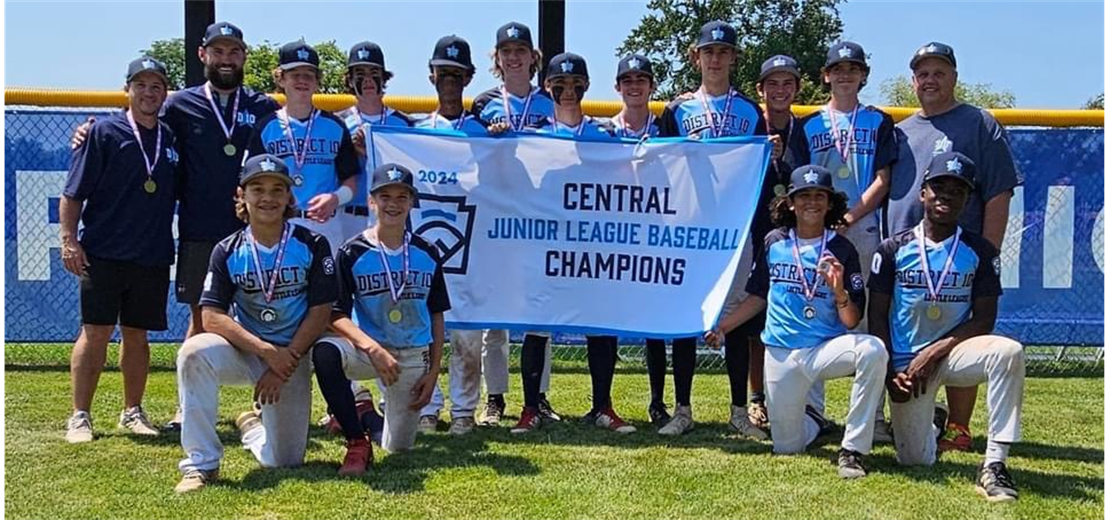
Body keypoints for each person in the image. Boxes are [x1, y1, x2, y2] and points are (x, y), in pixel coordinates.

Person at [71, 22, 281, 431]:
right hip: (201, 231)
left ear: (243, 58)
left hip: (258, 231)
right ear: (203, 55)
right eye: (218, 51)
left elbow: (299, 122)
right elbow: (137, 120)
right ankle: (189, 407)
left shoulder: (262, 105)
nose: (226, 59)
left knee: (268, 312)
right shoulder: (178, 104)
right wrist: (89, 129)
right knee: (201, 320)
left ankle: (269, 406)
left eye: (234, 52)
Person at [707, 165, 887, 479]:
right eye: (804, 196)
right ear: (790, 202)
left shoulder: (842, 248)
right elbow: (758, 295)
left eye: (820, 196)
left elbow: (851, 319)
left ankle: (853, 450)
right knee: (787, 447)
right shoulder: (774, 241)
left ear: (830, 203)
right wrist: (723, 327)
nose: (812, 202)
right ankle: (816, 420)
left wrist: (839, 290)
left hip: (823, 349)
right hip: (781, 353)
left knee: (872, 350)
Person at [885, 42, 1022, 452]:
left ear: (954, 78)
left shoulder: (978, 122)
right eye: (923, 73)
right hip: (908, 254)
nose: (930, 80)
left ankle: (959, 427)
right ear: (913, 82)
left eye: (939, 72)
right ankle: (920, 418)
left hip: (959, 252)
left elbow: (998, 191)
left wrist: (988, 252)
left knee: (959, 332)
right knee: (909, 339)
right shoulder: (902, 130)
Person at [173, 154, 337, 493]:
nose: (268, 198)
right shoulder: (227, 249)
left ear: (290, 198)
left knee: (284, 461)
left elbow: (321, 311)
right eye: (258, 189)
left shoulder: (312, 243)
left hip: (292, 358)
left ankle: (251, 428)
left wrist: (283, 361)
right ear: (241, 196)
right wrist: (264, 350)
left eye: (278, 190)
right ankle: (201, 464)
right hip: (246, 350)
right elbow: (211, 316)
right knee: (193, 352)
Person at [869, 151, 1025, 502]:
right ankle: (936, 421)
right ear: (923, 192)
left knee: (1008, 352)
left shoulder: (980, 251)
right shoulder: (893, 248)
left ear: (967, 199)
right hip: (907, 364)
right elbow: (877, 315)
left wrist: (937, 350)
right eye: (939, 188)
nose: (946, 196)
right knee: (914, 461)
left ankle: (995, 465)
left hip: (953, 354)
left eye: (957, 190)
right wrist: (890, 371)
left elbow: (984, 318)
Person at [652, 20, 768, 436]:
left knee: (734, 318)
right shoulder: (677, 109)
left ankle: (739, 411)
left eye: (723, 52)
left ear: (734, 58)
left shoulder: (749, 111)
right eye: (708, 52)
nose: (715, 59)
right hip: (690, 230)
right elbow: (663, 171)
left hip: (735, 234)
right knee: (688, 316)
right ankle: (683, 409)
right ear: (695, 57)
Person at [62, 56, 179, 443]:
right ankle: (80, 415)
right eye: (141, 85)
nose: (149, 92)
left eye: (157, 86)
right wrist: (69, 240)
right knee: (95, 332)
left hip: (151, 253)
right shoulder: (102, 132)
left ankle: (132, 410)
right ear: (127, 89)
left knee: (137, 336)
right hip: (104, 250)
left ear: (166, 92)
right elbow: (73, 193)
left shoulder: (171, 136)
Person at [789, 41, 897, 442]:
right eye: (838, 68)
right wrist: (826, 219)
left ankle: (871, 417)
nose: (845, 75)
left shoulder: (880, 121)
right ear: (826, 75)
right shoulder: (810, 123)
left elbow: (884, 179)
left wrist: (850, 216)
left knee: (868, 321)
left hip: (863, 228)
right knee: (812, 310)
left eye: (853, 69)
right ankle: (812, 412)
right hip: (818, 228)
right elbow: (802, 180)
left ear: (863, 75)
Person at [312, 163, 450, 475]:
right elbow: (335, 314)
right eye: (384, 196)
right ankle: (355, 436)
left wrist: (433, 371)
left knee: (398, 447)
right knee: (325, 352)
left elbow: (437, 314)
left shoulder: (426, 250)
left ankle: (364, 414)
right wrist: (372, 348)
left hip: (411, 355)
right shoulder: (352, 251)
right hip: (369, 351)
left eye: (402, 197)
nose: (393, 204)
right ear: (372, 201)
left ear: (412, 202)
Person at [529, 52, 636, 434]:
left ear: (587, 86)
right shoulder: (536, 136)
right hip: (550, 244)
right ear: (547, 87)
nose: (568, 91)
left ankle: (602, 406)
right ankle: (530, 407)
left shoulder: (604, 135)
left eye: (576, 85)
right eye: (560, 85)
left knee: (600, 323)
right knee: (537, 324)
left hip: (594, 245)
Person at [467, 23, 557, 428]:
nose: (514, 57)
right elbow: (466, 156)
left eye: (521, 50)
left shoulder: (552, 101)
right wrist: (490, 139)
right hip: (496, 221)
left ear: (533, 57)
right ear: (497, 59)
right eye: (506, 51)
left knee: (541, 312)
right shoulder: (483, 104)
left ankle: (539, 397)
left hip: (539, 219)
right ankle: (495, 398)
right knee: (494, 319)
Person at [246, 40, 360, 256]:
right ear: (281, 78)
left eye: (309, 75)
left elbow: (351, 180)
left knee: (327, 289)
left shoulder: (335, 125)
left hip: (325, 222)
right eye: (294, 74)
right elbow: (249, 180)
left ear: (317, 82)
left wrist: (335, 199)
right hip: (279, 221)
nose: (302, 80)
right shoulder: (265, 126)